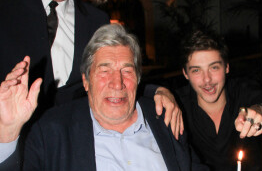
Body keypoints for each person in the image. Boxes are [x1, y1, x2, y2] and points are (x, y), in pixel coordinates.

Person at [0, 0, 182, 133]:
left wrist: (158, 90)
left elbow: (116, 78)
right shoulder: (5, 2)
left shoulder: (97, 21)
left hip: (72, 145)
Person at [0, 24, 208, 171]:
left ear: (138, 78)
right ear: (86, 80)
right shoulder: (52, 131)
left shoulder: (165, 118)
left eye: (126, 71)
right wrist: (7, 132)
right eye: (104, 70)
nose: (117, 83)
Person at [176, 30, 262, 171]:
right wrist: (159, 91)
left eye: (214, 67)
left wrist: (261, 110)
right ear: (186, 73)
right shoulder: (178, 104)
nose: (207, 80)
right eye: (196, 70)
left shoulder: (242, 90)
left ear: (226, 67)